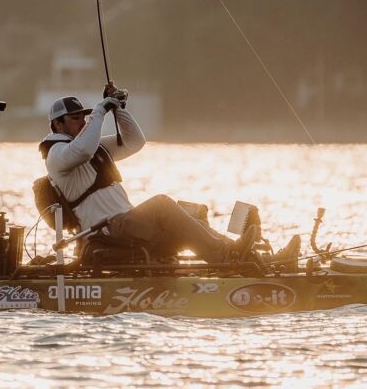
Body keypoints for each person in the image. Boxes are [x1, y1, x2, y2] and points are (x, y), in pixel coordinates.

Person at [39, 83, 285, 266]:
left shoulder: (96, 147)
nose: (82, 122)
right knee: (162, 205)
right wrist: (101, 111)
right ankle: (225, 257)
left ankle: (252, 258)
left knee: (194, 219)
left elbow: (135, 142)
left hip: (126, 223)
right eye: (75, 119)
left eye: (84, 117)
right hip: (106, 231)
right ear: (58, 125)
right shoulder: (57, 155)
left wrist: (118, 109)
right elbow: (81, 150)